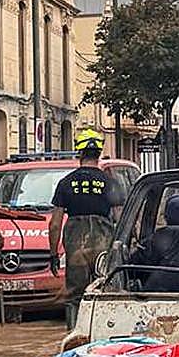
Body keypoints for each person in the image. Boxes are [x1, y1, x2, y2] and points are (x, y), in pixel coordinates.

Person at [48, 128, 122, 327]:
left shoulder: (66, 183)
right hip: (104, 247)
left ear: (79, 153)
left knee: (74, 297)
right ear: (98, 153)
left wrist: (53, 254)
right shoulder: (110, 182)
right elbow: (121, 219)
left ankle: (74, 336)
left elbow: (55, 225)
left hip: (76, 248)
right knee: (105, 291)